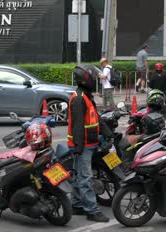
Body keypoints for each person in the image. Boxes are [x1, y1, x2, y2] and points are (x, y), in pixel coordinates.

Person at [67, 64, 110, 223]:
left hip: (88, 144)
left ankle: (77, 205)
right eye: (93, 78)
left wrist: (107, 133)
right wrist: (78, 147)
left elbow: (96, 118)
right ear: (86, 80)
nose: (95, 81)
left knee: (80, 176)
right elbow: (77, 125)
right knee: (85, 178)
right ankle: (92, 210)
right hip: (82, 145)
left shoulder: (86, 96)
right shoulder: (78, 99)